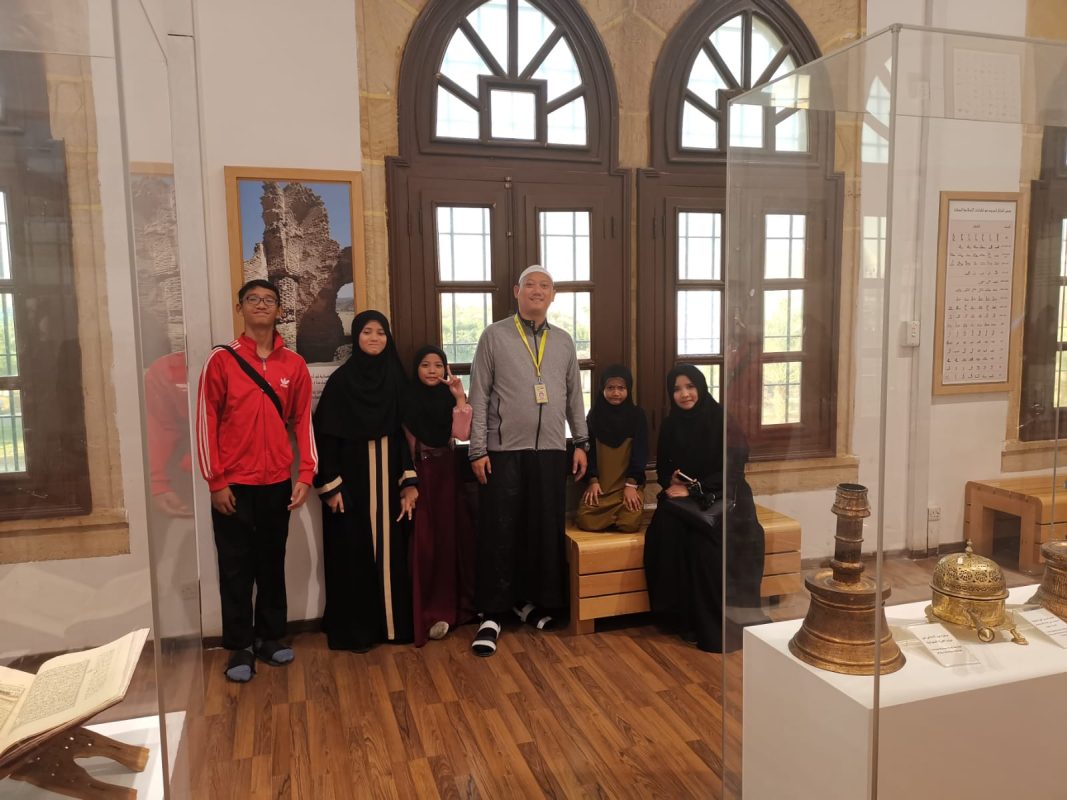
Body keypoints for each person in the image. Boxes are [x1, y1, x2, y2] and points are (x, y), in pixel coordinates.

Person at [196, 279, 316, 682]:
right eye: (253, 299)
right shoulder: (221, 360)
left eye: (268, 300)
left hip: (276, 482)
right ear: (240, 308)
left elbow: (303, 422)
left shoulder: (293, 365)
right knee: (234, 567)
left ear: (279, 310)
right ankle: (239, 646)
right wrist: (215, 481)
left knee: (271, 563)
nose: (261, 305)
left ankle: (269, 637)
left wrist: (305, 473)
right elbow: (205, 421)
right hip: (233, 484)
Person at [467, 264, 588, 656]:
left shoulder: (564, 341)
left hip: (551, 451)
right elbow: (479, 394)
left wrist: (581, 441)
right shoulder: (494, 336)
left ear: (553, 295)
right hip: (503, 452)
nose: (538, 290)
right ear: (517, 291)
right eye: (530, 284)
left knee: (542, 531)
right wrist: (477, 449)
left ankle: (529, 602)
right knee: (500, 532)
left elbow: (574, 395)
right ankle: (491, 613)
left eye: (545, 285)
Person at [313, 310, 418, 650]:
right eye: (367, 332)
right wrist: (330, 484)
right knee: (352, 556)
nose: (374, 338)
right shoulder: (342, 382)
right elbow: (325, 435)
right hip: (350, 483)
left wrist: (408, 481)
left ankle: (393, 626)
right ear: (356, 337)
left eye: (381, 332)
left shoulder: (395, 378)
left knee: (392, 556)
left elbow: (401, 434)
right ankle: (358, 631)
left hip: (388, 478)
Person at [642, 365, 765, 653]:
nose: (684, 394)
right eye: (676, 389)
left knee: (704, 546)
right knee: (665, 532)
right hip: (685, 500)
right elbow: (663, 467)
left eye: (690, 386)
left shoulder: (721, 419)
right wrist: (672, 480)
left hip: (724, 496)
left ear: (701, 387)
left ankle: (708, 625)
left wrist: (696, 489)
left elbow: (734, 468)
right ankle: (679, 618)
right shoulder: (671, 424)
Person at [403, 345, 476, 646]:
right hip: (421, 475)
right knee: (425, 544)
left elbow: (462, 435)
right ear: (416, 369)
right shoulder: (407, 399)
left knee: (450, 540)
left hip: (448, 474)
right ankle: (427, 612)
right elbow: (404, 447)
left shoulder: (448, 398)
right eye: (425, 365)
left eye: (438, 365)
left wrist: (459, 397)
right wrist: (408, 481)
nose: (432, 370)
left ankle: (451, 608)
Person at [577, 364, 648, 533]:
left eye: (621, 388)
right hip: (602, 488)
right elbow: (589, 452)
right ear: (602, 389)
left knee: (630, 523)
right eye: (610, 388)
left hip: (627, 487)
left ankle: (614, 517)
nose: (616, 393)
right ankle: (610, 518)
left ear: (628, 389)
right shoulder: (594, 416)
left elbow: (640, 452)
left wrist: (631, 485)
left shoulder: (637, 415)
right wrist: (592, 481)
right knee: (585, 519)